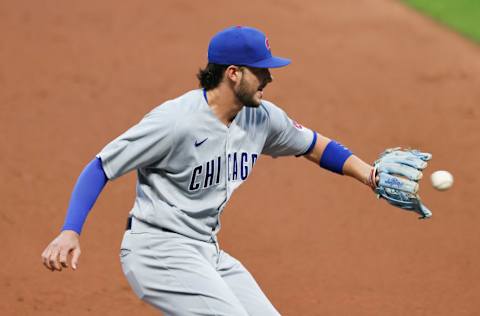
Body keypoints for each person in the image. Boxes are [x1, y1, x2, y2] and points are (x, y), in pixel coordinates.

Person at [41, 26, 431, 315]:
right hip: (157, 251)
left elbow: (315, 145)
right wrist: (70, 230)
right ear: (232, 73)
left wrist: (371, 176)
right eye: (260, 71)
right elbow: (101, 166)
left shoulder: (260, 118)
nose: (270, 78)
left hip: (207, 251)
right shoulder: (175, 122)